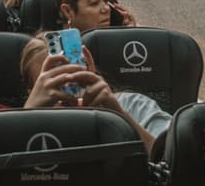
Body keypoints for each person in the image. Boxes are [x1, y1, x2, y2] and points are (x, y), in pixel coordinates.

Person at [20, 34, 164, 148]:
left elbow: (173, 161)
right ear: (33, 92)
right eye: (53, 84)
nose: (66, 92)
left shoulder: (133, 105)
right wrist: (28, 116)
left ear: (90, 69)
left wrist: (119, 116)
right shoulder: (19, 125)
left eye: (75, 77)